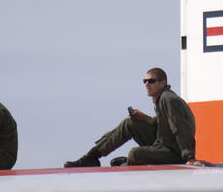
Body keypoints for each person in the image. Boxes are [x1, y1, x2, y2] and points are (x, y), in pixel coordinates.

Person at [64, 67, 204, 167]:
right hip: (162, 143)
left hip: (174, 153)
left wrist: (190, 157)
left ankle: (127, 163)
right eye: (145, 81)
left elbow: (180, 127)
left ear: (163, 83)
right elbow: (164, 125)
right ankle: (91, 157)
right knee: (129, 123)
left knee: (135, 153)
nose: (147, 84)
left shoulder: (168, 99)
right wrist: (145, 119)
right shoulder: (161, 98)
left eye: (152, 81)